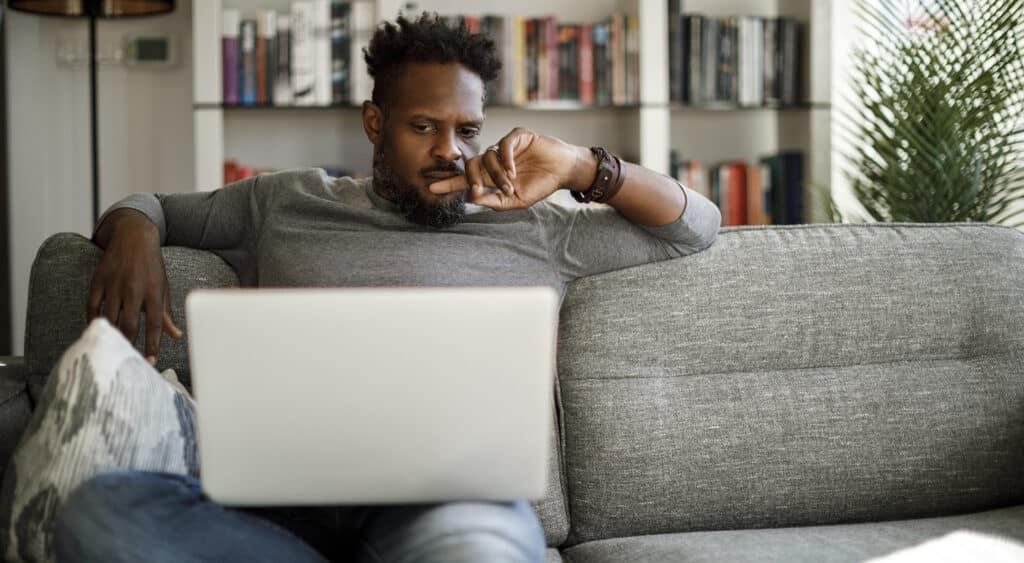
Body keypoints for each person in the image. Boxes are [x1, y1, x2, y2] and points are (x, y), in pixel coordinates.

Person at [52, 13, 720, 563]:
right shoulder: (286, 201)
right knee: (99, 513)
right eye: (423, 126)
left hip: (449, 504)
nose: (448, 151)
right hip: (275, 509)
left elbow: (694, 227)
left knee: (478, 552)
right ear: (376, 124)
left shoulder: (536, 226)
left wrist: (581, 164)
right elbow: (151, 204)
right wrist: (136, 232)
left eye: (466, 131)